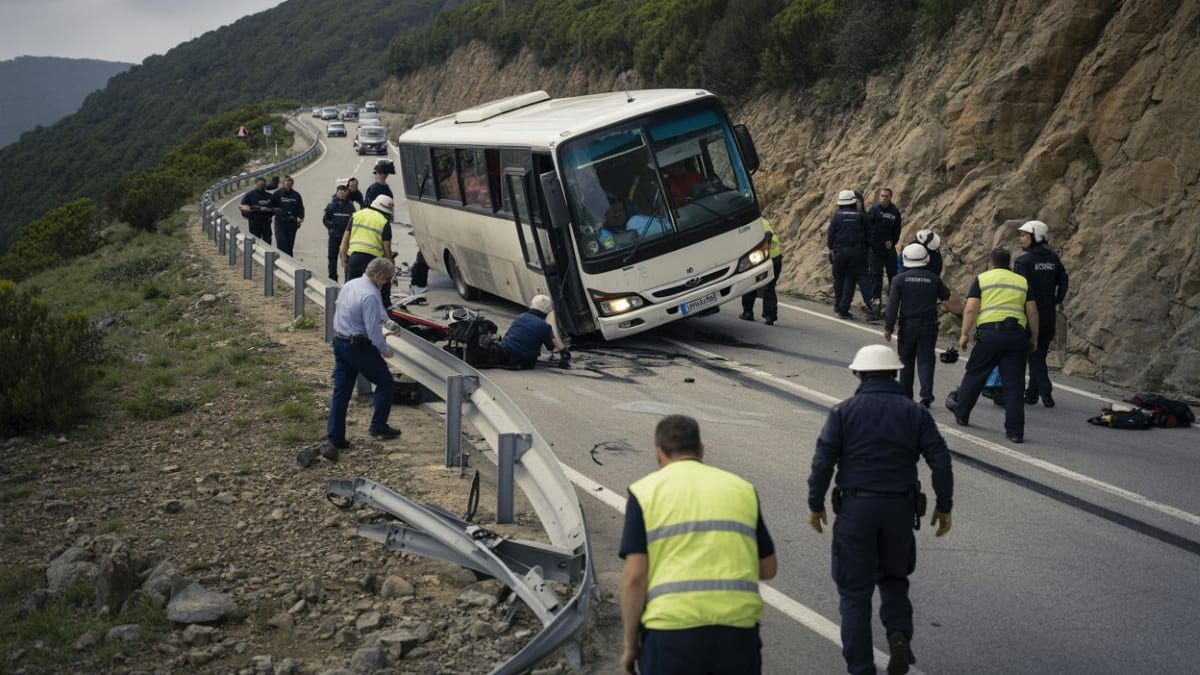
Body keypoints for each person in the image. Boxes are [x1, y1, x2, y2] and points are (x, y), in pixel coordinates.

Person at [807, 344, 954, 675]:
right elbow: (941, 461)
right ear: (897, 373)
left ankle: (861, 668)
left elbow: (823, 462)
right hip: (900, 511)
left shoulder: (843, 413)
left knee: (854, 593)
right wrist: (944, 506)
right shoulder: (916, 413)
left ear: (858, 374)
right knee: (894, 579)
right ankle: (899, 636)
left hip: (856, 510)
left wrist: (815, 504)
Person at [620, 414, 777, 675]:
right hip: (737, 636)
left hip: (670, 634)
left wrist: (630, 646)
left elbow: (635, 576)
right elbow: (768, 568)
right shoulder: (742, 489)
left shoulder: (644, 492)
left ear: (658, 453)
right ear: (701, 450)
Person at [947, 248, 1039, 443]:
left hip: (990, 335)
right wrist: (1034, 338)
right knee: (1014, 385)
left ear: (991, 262)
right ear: (1009, 264)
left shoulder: (983, 279)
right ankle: (1015, 432)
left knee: (975, 374)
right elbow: (1032, 312)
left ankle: (962, 414)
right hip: (1016, 336)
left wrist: (964, 333)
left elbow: (971, 308)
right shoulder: (1022, 282)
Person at [325, 256, 401, 453]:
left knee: (341, 392)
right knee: (385, 382)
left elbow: (370, 313)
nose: (386, 284)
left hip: (340, 342)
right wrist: (385, 350)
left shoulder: (351, 284)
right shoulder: (370, 295)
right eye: (386, 279)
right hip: (358, 347)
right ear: (378, 275)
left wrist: (386, 321)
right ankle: (378, 426)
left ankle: (335, 438)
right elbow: (373, 332)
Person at [884, 244, 962, 407]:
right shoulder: (933, 278)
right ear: (925, 259)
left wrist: (888, 328)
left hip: (908, 326)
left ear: (906, 259)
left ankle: (906, 395)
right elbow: (948, 299)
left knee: (906, 360)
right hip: (928, 325)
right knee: (926, 361)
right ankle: (926, 395)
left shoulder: (899, 279)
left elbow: (892, 305)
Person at [1014, 220, 1069, 408]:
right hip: (1048, 313)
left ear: (1036, 237)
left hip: (1030, 314)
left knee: (1033, 356)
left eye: (1025, 236)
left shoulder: (1024, 261)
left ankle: (1046, 392)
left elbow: (1018, 288)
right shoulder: (1053, 259)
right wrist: (1056, 299)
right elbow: (1064, 280)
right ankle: (1031, 394)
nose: (1021, 239)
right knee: (1039, 354)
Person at [340, 195, 395, 308]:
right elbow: (387, 250)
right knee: (375, 290)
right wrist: (391, 266)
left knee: (350, 291)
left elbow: (345, 241)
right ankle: (386, 307)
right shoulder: (384, 222)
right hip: (373, 262)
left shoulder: (357, 215)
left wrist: (343, 258)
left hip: (354, 258)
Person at [828, 189, 869, 319]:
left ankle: (838, 305)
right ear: (853, 202)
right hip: (856, 251)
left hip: (839, 251)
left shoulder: (836, 216)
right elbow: (868, 235)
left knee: (839, 279)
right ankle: (844, 309)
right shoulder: (861, 216)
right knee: (850, 279)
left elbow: (831, 236)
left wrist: (832, 248)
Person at [500, 295, 567, 369]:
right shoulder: (544, 326)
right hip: (527, 361)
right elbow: (550, 347)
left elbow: (507, 335)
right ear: (547, 311)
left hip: (506, 353)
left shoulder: (521, 316)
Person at [865, 189, 903, 315]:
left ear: (890, 197)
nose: (884, 198)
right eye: (882, 196)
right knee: (876, 275)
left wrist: (892, 241)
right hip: (875, 249)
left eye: (886, 196)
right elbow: (868, 228)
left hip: (889, 249)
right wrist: (873, 243)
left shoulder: (894, 212)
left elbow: (897, 230)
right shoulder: (874, 210)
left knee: (893, 275)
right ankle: (875, 304)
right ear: (879, 197)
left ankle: (893, 305)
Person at [740, 218, 783, 325]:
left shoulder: (752, 223)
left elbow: (767, 236)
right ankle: (770, 316)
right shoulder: (763, 221)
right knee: (770, 287)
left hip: (762, 258)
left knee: (750, 285)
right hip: (776, 258)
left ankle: (748, 312)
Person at [322, 179, 355, 281]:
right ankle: (332, 279)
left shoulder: (350, 207)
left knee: (346, 259)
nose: (341, 193)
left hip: (346, 238)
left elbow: (354, 220)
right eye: (339, 191)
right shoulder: (331, 205)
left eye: (344, 191)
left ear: (347, 192)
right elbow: (325, 219)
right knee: (332, 259)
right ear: (336, 193)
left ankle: (347, 280)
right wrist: (331, 227)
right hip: (334, 236)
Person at [271, 175, 305, 256]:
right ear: (283, 183)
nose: (288, 183)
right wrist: (277, 211)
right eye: (286, 181)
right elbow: (271, 206)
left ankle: (289, 266)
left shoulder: (296, 195)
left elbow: (300, 207)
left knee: (289, 247)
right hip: (280, 224)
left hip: (292, 224)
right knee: (282, 245)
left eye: (290, 182)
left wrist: (301, 217)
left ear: (292, 184)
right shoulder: (277, 194)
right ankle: (282, 263)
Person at [239, 177, 274, 244]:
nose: (261, 186)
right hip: (254, 222)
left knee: (267, 241)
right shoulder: (249, 195)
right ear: (256, 184)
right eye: (259, 184)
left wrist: (270, 210)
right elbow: (242, 207)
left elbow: (275, 207)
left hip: (266, 222)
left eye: (263, 185)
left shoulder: (269, 196)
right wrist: (257, 209)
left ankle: (267, 254)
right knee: (255, 241)